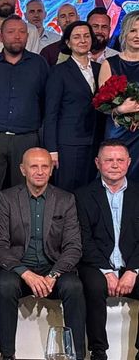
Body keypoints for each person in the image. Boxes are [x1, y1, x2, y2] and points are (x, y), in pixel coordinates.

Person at [0, 147, 86, 360]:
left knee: (74, 286)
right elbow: (0, 245)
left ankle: (77, 355)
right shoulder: (6, 198)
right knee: (6, 286)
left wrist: (53, 275)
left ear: (51, 170)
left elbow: (74, 247)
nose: (40, 171)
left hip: (53, 267)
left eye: (45, 166)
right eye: (34, 166)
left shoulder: (65, 199)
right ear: (22, 169)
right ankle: (7, 355)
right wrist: (25, 273)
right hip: (18, 268)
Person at [76, 140, 139, 360]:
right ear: (97, 163)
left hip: (132, 264)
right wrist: (107, 271)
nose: (114, 165)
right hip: (97, 264)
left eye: (120, 160)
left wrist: (133, 270)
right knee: (94, 287)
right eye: (109, 160)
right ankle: (98, 351)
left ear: (129, 162)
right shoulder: (83, 195)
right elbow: (84, 239)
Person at [0, 15, 49, 196]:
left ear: (28, 36)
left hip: (27, 139)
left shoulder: (40, 65)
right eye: (11, 32)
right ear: (0, 37)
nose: (17, 36)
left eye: (22, 32)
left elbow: (47, 101)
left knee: (25, 193)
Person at [44, 21, 104, 192]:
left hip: (96, 141)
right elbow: (51, 113)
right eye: (77, 37)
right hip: (68, 144)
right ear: (68, 43)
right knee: (67, 191)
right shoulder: (59, 72)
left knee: (90, 190)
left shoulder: (101, 69)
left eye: (86, 36)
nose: (82, 40)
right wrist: (51, 149)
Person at [99, 10, 139, 181]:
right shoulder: (110, 64)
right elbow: (101, 105)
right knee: (114, 176)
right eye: (133, 30)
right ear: (124, 33)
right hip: (117, 132)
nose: (137, 36)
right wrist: (121, 109)